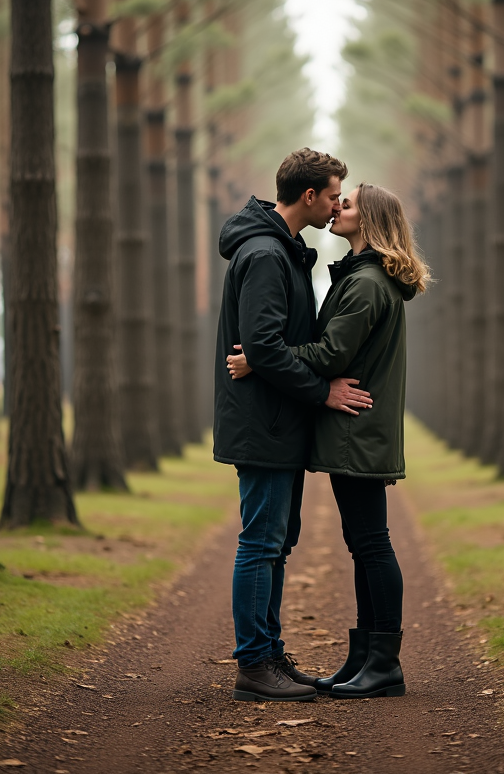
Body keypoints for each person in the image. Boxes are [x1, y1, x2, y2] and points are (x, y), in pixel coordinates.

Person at [227, 182, 428, 699]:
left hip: (356, 433)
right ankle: (365, 659)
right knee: (365, 543)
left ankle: (382, 665)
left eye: (350, 203)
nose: (340, 207)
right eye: (340, 198)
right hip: (355, 433)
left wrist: (261, 358)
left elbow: (332, 352)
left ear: (371, 221)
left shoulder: (365, 283)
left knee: (371, 544)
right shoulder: (363, 276)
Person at [214, 149, 374, 703]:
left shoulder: (282, 251)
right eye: (333, 194)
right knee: (261, 543)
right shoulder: (264, 254)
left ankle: (270, 652)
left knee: (277, 543)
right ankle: (254, 664)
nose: (336, 205)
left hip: (278, 420)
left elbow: (269, 345)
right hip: (264, 422)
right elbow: (261, 345)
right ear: (309, 195)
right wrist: (322, 391)